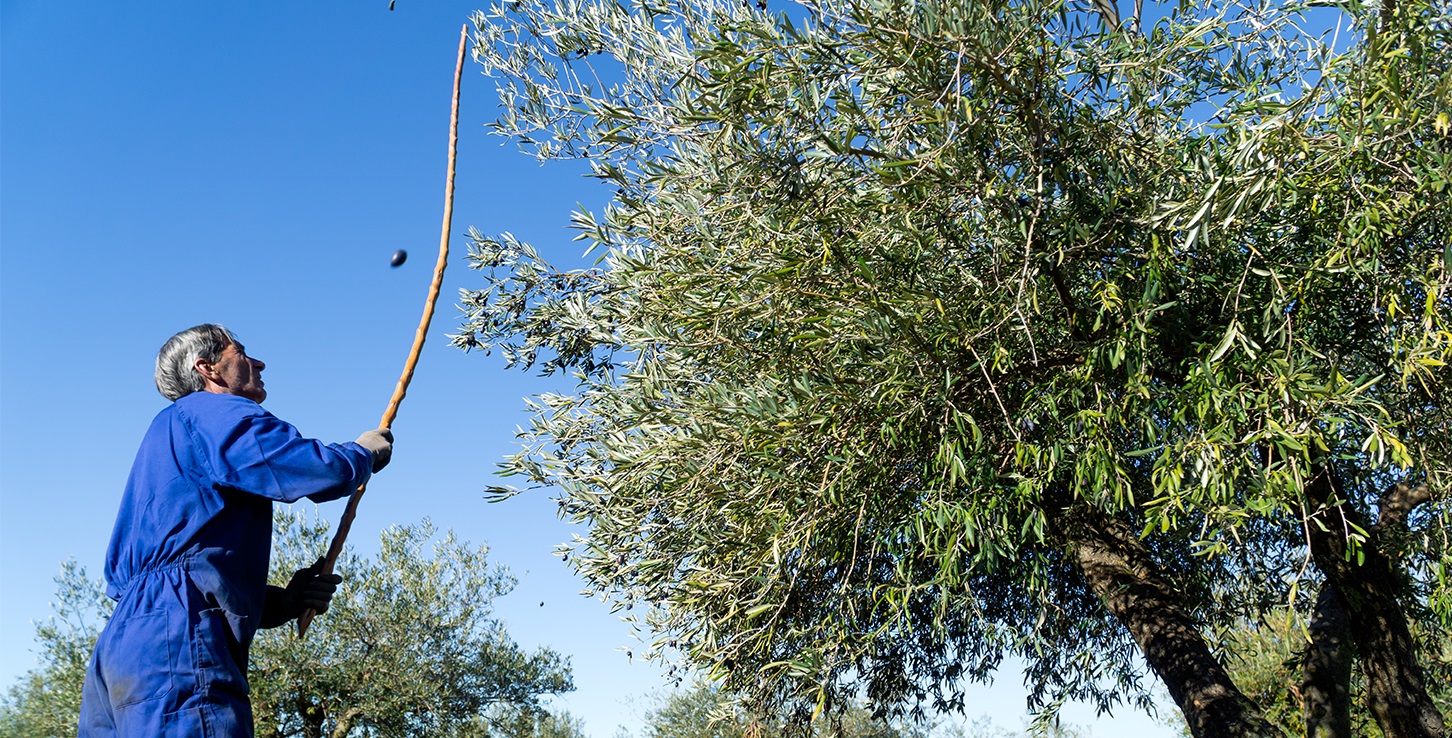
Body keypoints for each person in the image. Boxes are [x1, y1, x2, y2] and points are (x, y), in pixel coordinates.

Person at [78, 324, 394, 737]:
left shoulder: (166, 435)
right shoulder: (208, 411)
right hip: (175, 640)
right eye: (241, 353)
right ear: (207, 368)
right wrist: (362, 454)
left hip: (121, 650)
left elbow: (192, 570)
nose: (258, 362)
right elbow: (304, 466)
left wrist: (282, 603)